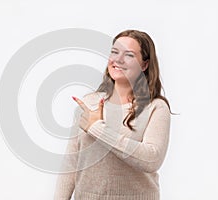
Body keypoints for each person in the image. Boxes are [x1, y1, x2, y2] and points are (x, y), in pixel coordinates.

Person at [54, 30, 171, 200]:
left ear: (144, 65)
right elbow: (71, 164)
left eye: (129, 55)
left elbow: (152, 160)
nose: (118, 60)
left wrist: (97, 128)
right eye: (114, 52)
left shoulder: (155, 107)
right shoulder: (89, 103)